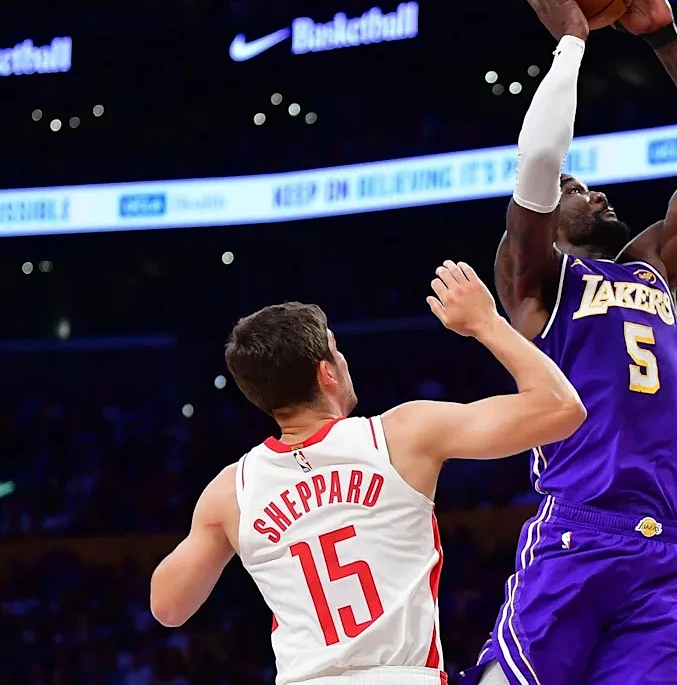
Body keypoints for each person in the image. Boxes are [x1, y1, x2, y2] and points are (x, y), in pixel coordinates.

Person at [464, 0, 677, 685]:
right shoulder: (534, 280)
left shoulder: (650, 265)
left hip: (671, 551)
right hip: (580, 529)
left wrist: (664, 36)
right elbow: (537, 165)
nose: (591, 190)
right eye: (575, 188)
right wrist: (571, 43)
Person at [149, 262, 585, 685]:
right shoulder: (401, 436)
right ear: (327, 373)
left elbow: (167, 608)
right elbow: (562, 408)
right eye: (336, 350)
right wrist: (487, 323)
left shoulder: (231, 491)